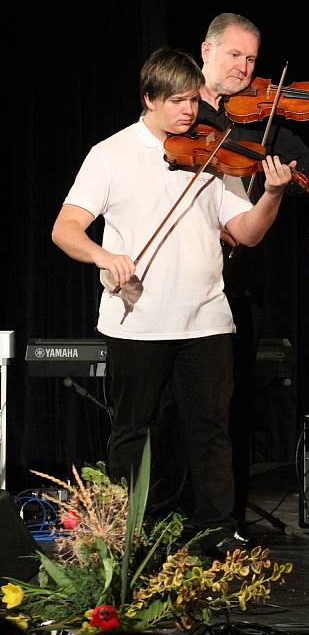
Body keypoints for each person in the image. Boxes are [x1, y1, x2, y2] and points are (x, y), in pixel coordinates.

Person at [51, 46, 295, 559]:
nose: (189, 111)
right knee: (132, 433)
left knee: (211, 432)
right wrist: (103, 254)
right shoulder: (111, 153)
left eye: (192, 100)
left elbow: (245, 233)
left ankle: (217, 533)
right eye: (177, 101)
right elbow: (65, 228)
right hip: (137, 321)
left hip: (206, 318)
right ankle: (120, 534)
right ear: (149, 99)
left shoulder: (211, 152)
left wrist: (271, 195)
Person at [151, 13, 309, 531]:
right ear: (206, 51)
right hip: (169, 282)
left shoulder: (259, 124)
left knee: (228, 413)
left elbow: (303, 180)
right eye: (235, 55)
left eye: (251, 60)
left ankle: (224, 525)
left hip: (235, 282)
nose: (244, 68)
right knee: (169, 414)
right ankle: (163, 525)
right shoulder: (178, 113)